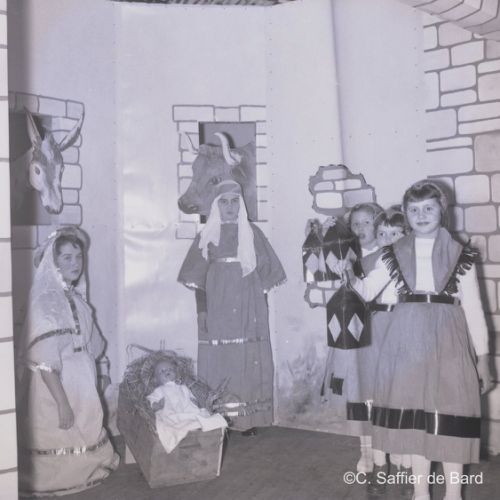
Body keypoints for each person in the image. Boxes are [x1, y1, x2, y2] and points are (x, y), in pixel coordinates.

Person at [339, 181, 492, 500]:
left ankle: (453, 494)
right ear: (406, 215)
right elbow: (368, 290)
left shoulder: (460, 254)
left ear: (442, 209)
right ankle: (421, 493)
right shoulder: (394, 252)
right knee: (415, 424)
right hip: (406, 343)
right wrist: (350, 276)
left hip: (449, 341)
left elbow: (474, 308)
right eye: (414, 210)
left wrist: (483, 358)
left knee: (452, 417)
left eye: (428, 208)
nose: (421, 215)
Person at [16, 226, 119, 497]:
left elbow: (93, 345)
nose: (76, 263)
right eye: (67, 258)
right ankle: (58, 477)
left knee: (83, 426)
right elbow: (45, 362)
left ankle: (85, 468)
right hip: (55, 383)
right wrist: (62, 403)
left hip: (80, 378)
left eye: (79, 256)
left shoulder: (75, 298)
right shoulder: (45, 303)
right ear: (54, 263)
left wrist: (97, 373)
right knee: (61, 426)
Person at [178, 180, 286, 434]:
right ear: (216, 206)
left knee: (247, 356)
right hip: (218, 305)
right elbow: (198, 279)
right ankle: (219, 417)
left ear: (241, 204)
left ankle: (246, 419)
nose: (229, 207)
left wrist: (260, 310)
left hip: (249, 304)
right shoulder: (207, 236)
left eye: (234, 201)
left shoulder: (253, 234)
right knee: (221, 357)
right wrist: (202, 311)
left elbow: (266, 277)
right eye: (224, 202)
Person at [321, 203, 384, 474]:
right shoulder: (347, 254)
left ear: (378, 224)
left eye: (366, 222)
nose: (360, 228)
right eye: (355, 224)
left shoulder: (387, 253)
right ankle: (366, 450)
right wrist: (328, 238)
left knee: (384, 389)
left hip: (383, 328)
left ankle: (390, 449)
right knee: (360, 390)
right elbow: (326, 266)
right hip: (357, 331)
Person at [146, 358, 227, 453]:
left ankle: (203, 433)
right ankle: (192, 432)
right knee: (172, 425)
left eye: (170, 369)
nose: (167, 372)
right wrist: (158, 405)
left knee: (203, 416)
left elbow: (191, 398)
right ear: (156, 379)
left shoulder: (183, 387)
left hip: (187, 411)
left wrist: (197, 404)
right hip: (172, 414)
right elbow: (152, 401)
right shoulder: (159, 390)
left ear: (176, 373)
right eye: (162, 371)